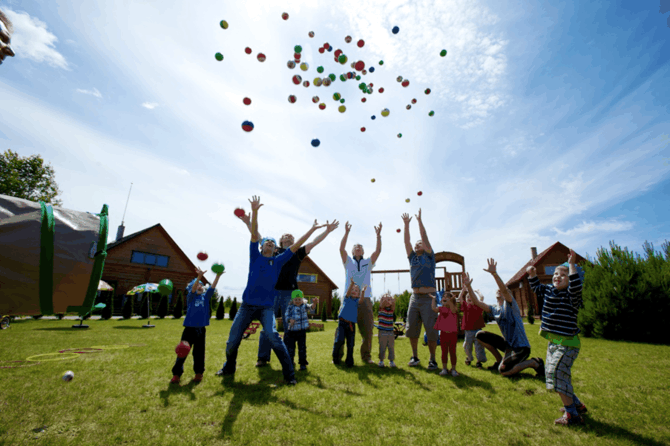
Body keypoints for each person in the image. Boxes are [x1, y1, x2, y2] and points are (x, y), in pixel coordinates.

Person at [216, 196, 322, 385]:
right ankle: (229, 366)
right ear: (262, 246)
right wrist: (255, 212)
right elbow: (255, 235)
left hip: (266, 307)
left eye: (273, 243)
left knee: (273, 336)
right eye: (268, 242)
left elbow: (297, 245)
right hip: (247, 306)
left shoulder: (279, 260)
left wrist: (312, 229)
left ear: (275, 249)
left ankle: (289, 375)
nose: (270, 243)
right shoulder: (255, 256)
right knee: (232, 340)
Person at [235, 211, 339, 367]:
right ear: (280, 240)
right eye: (285, 235)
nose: (288, 236)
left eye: (291, 236)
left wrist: (327, 231)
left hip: (290, 294)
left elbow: (314, 242)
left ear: (294, 241)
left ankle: (289, 358)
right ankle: (263, 358)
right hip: (272, 293)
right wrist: (247, 223)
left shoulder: (297, 252)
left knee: (291, 326)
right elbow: (257, 235)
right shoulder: (273, 249)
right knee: (267, 326)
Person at [527, 249, 586, 426]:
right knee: (555, 375)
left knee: (558, 374)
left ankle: (572, 416)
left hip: (567, 343)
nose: (557, 276)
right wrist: (532, 275)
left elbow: (575, 286)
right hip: (554, 342)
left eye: (563, 275)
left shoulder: (571, 295)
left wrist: (573, 265)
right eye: (556, 273)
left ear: (572, 280)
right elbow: (537, 287)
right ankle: (576, 404)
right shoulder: (549, 291)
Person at [463, 262, 543, 377]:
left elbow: (504, 290)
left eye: (503, 291)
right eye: (498, 290)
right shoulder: (495, 309)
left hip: (521, 347)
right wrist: (469, 287)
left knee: (504, 371)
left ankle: (534, 363)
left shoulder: (511, 305)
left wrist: (494, 274)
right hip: (508, 345)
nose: (499, 290)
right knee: (479, 335)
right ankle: (499, 360)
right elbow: (476, 302)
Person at [338, 221, 382, 364]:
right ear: (352, 251)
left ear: (363, 252)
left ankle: (366, 357)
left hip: (365, 299)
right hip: (349, 299)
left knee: (368, 331)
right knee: (342, 331)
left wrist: (378, 236)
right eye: (355, 247)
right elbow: (341, 249)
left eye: (360, 248)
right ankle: (337, 357)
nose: (358, 248)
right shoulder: (348, 262)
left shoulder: (368, 263)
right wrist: (346, 232)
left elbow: (378, 252)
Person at [170, 266, 223, 384]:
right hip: (189, 329)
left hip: (201, 330)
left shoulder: (205, 297)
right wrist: (199, 277)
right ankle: (176, 374)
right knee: (183, 351)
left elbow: (212, 287)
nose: (200, 286)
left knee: (199, 352)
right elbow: (193, 289)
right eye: (197, 284)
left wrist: (217, 276)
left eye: (201, 285)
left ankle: (199, 373)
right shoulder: (191, 297)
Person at [402, 209, 439, 370]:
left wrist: (419, 221)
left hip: (429, 297)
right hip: (415, 298)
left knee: (431, 330)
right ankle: (415, 356)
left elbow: (425, 237)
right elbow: (406, 242)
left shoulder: (430, 257)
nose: (418, 244)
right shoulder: (413, 258)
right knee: (412, 329)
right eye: (416, 244)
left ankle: (432, 359)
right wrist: (406, 225)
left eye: (420, 243)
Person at [333, 278, 366, 367]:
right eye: (352, 289)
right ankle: (335, 359)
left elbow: (361, 300)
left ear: (358, 294)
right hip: (342, 323)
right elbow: (348, 293)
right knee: (339, 340)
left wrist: (362, 292)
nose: (353, 291)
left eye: (356, 290)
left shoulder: (357, 301)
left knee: (350, 344)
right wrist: (351, 284)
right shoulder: (346, 298)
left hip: (351, 325)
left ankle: (349, 361)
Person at [283, 290, 318, 371]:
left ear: (302, 299)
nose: (298, 301)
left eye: (299, 299)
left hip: (301, 332)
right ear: (292, 300)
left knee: (302, 348)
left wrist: (314, 304)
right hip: (291, 332)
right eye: (296, 300)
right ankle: (290, 362)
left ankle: (303, 364)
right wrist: (289, 320)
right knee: (291, 348)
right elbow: (286, 315)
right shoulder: (290, 307)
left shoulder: (304, 306)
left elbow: (311, 308)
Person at [431, 291, 459, 376]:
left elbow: (453, 309)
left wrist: (450, 301)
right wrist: (433, 299)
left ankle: (453, 369)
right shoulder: (442, 309)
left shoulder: (454, 308)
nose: (445, 298)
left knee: (452, 352)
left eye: (447, 297)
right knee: (444, 352)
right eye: (444, 296)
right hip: (443, 334)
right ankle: (444, 369)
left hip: (453, 334)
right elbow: (434, 309)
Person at [458, 288, 487, 368]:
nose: (469, 298)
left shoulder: (478, 306)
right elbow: (460, 298)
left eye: (471, 296)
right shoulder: (465, 306)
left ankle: (479, 361)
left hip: (478, 331)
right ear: (466, 300)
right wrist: (463, 290)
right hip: (468, 332)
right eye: (467, 297)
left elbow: (482, 297)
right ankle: (469, 358)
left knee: (479, 346)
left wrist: (478, 292)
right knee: (467, 346)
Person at [376, 292, 396, 368]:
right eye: (386, 300)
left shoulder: (391, 310)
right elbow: (382, 304)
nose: (388, 301)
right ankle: (381, 361)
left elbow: (393, 306)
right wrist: (385, 299)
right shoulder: (381, 309)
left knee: (391, 347)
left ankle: (391, 361)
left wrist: (392, 301)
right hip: (382, 332)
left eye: (389, 300)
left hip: (390, 332)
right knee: (382, 347)